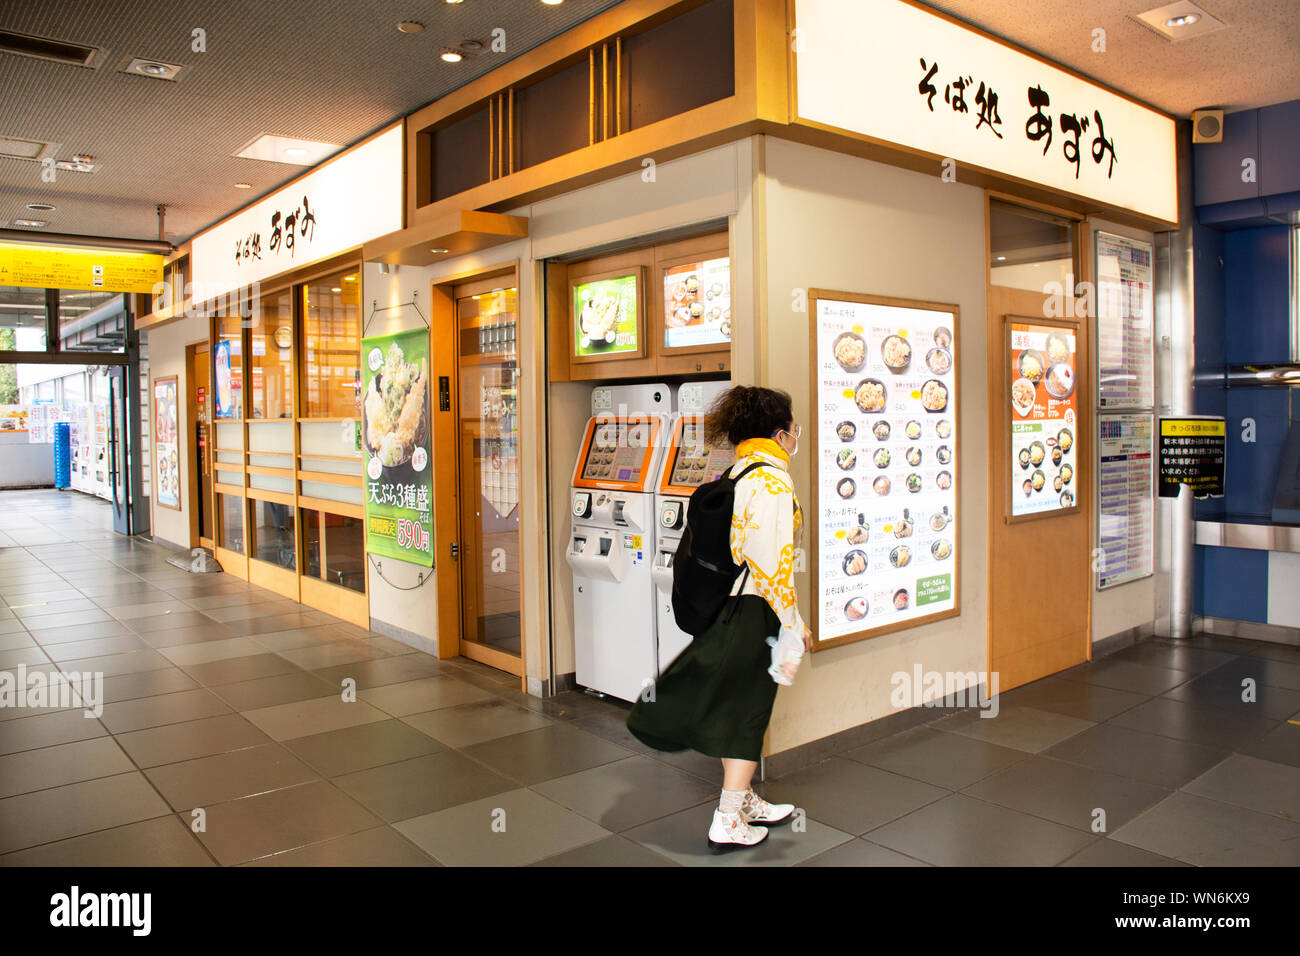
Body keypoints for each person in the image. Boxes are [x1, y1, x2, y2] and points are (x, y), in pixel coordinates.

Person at [626, 385, 812, 851]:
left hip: (735, 603)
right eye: (792, 430)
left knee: (739, 703)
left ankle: (743, 798)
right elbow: (772, 563)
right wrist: (793, 622)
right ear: (779, 433)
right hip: (758, 609)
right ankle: (728, 816)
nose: (796, 437)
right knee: (748, 710)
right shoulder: (772, 480)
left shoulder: (739, 469)